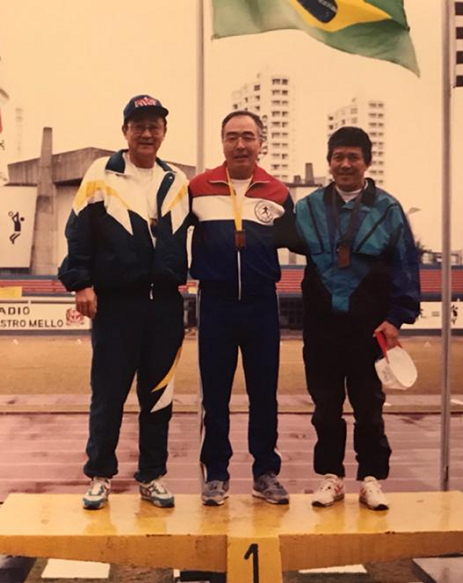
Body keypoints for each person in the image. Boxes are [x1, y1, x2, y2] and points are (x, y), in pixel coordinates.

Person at [58, 95, 191, 510]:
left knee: (158, 397)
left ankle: (152, 477)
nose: (147, 133)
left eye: (154, 126)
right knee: (109, 394)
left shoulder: (178, 180)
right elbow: (78, 232)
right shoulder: (102, 174)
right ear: (125, 132)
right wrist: (81, 283)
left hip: (166, 306)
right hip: (117, 305)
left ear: (164, 132)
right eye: (139, 126)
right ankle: (100, 475)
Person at [294, 126, 420, 511]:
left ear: (367, 161)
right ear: (329, 162)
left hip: (370, 327)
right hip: (322, 326)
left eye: (354, 157)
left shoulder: (389, 209)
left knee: (369, 406)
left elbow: (406, 267)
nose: (345, 164)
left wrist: (396, 318)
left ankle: (371, 479)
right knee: (325, 407)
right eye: (338, 157)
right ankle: (330, 478)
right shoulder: (307, 207)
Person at [189, 110, 298, 506]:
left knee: (263, 394)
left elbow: (302, 241)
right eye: (232, 136)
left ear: (261, 143)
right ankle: (216, 474)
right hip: (215, 302)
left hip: (260, 303)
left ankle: (265, 473)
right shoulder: (198, 188)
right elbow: (170, 236)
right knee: (214, 395)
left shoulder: (279, 192)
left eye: (248, 137)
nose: (240, 144)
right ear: (221, 142)